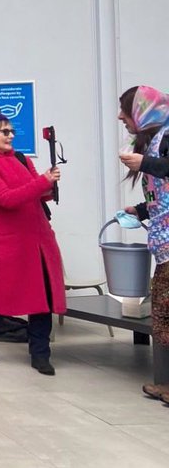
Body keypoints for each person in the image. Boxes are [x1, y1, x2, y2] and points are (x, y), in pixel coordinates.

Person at [0, 111, 64, 375]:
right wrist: (42, 182)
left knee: (42, 296)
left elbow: (36, 192)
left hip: (39, 238)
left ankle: (40, 353)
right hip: (9, 242)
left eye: (11, 131)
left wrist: (48, 185)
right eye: (4, 131)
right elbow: (7, 199)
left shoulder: (21, 159)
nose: (10, 136)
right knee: (1, 294)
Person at [116, 85, 169, 401]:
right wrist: (141, 209)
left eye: (126, 109)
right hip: (163, 242)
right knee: (163, 311)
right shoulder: (154, 143)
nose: (120, 116)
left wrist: (143, 164)